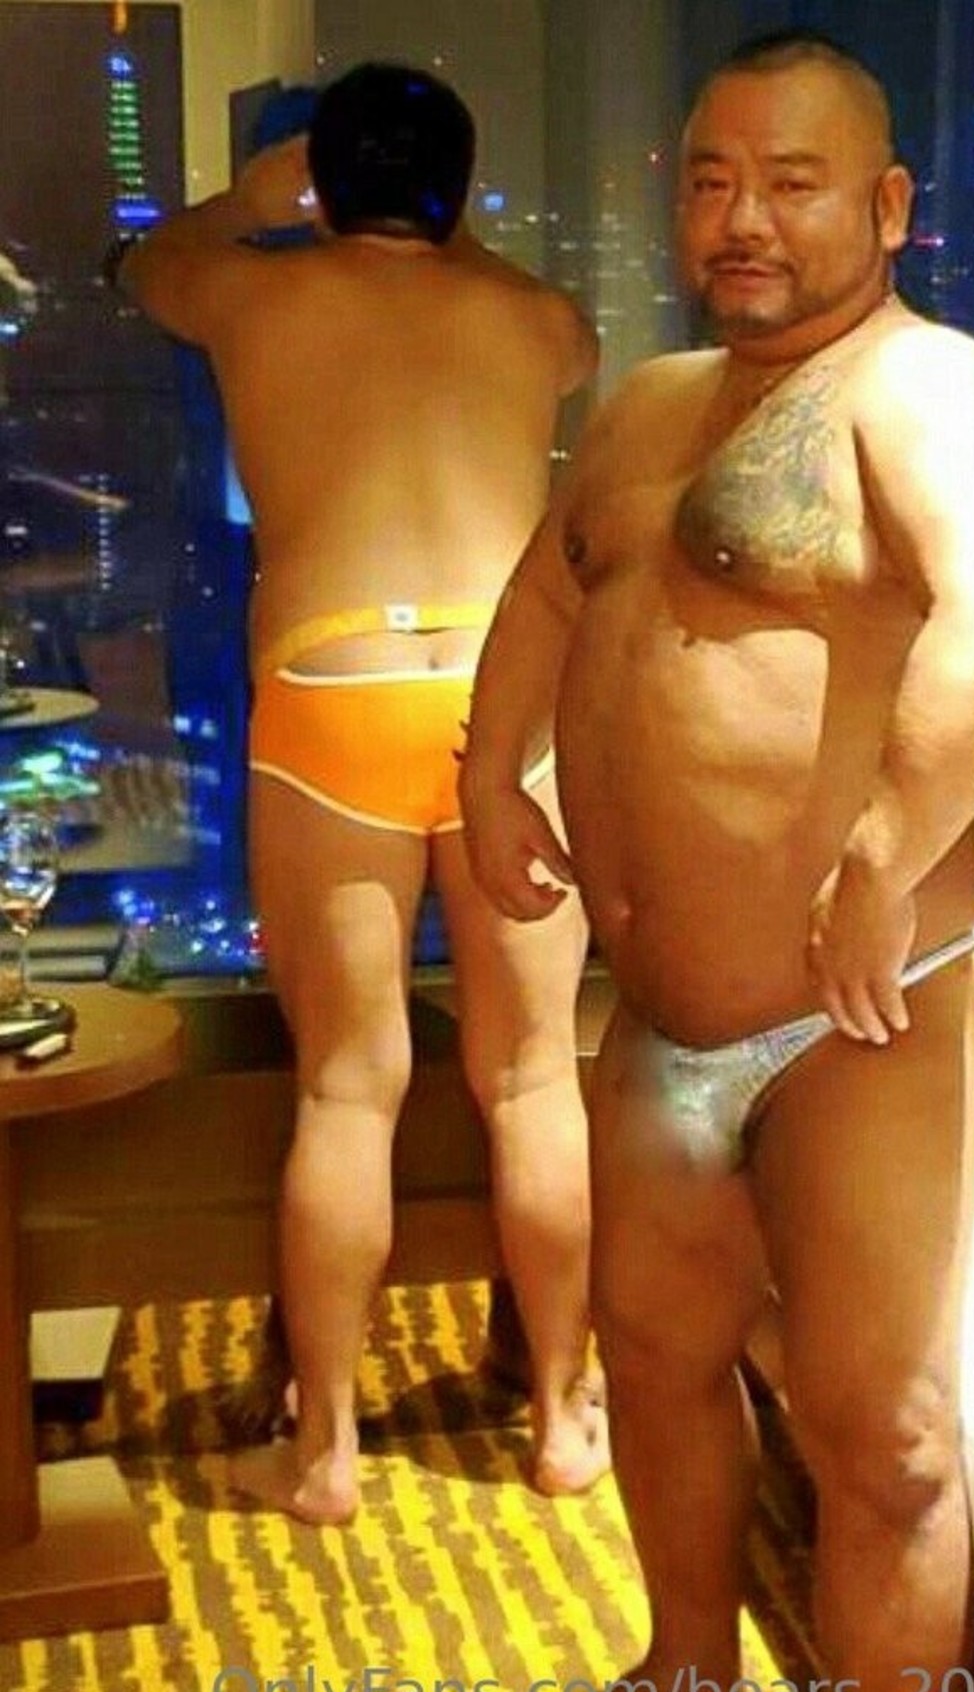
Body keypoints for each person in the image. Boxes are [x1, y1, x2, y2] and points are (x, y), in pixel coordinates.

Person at [460, 31, 974, 1692]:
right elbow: (554, 585)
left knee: (883, 1435)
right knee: (656, 1358)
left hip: (856, 1009)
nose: (744, 220)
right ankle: (685, 1686)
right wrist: (491, 768)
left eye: (793, 185)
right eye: (714, 182)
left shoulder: (926, 390)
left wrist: (884, 854)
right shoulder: (651, 405)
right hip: (661, 1011)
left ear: (888, 205)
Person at [118, 61, 610, 1523]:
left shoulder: (251, 293)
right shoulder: (534, 317)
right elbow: (564, 335)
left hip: (335, 688)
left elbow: (147, 266)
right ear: (459, 193)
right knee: (535, 1078)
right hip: (505, 696)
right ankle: (564, 1418)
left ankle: (325, 1451)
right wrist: (448, 229)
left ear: (323, 179)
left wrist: (253, 201)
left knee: (346, 1085)